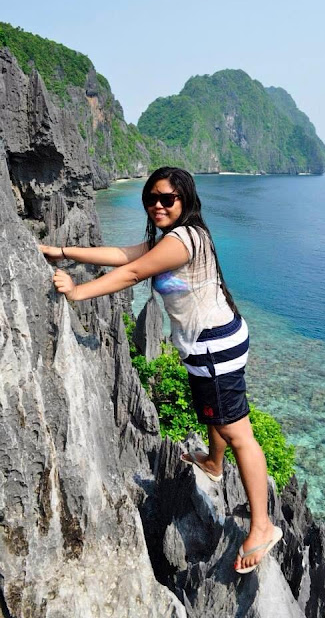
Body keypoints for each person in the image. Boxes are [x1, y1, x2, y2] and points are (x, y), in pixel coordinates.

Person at [39, 167, 282, 573]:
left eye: (167, 198)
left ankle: (263, 526)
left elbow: (133, 272)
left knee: (240, 434)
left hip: (216, 347)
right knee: (212, 411)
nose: (157, 205)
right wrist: (63, 251)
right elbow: (122, 255)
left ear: (184, 200)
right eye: (150, 198)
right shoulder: (167, 238)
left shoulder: (185, 240)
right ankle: (214, 464)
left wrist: (78, 292)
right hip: (204, 346)